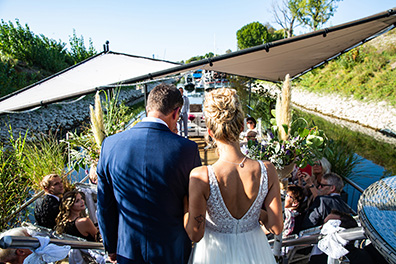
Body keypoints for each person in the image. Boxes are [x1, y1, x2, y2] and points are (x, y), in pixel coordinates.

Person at [97, 83, 202, 264]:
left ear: (147, 109)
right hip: (172, 251)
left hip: (127, 250)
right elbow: (194, 202)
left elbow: (105, 206)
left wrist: (111, 247)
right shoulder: (188, 150)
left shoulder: (110, 145)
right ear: (176, 113)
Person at [184, 88, 283, 263]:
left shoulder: (201, 177)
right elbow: (276, 227)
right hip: (256, 252)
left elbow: (195, 234)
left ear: (210, 132)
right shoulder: (268, 170)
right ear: (242, 127)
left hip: (214, 254)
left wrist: (185, 205)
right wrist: (256, 214)